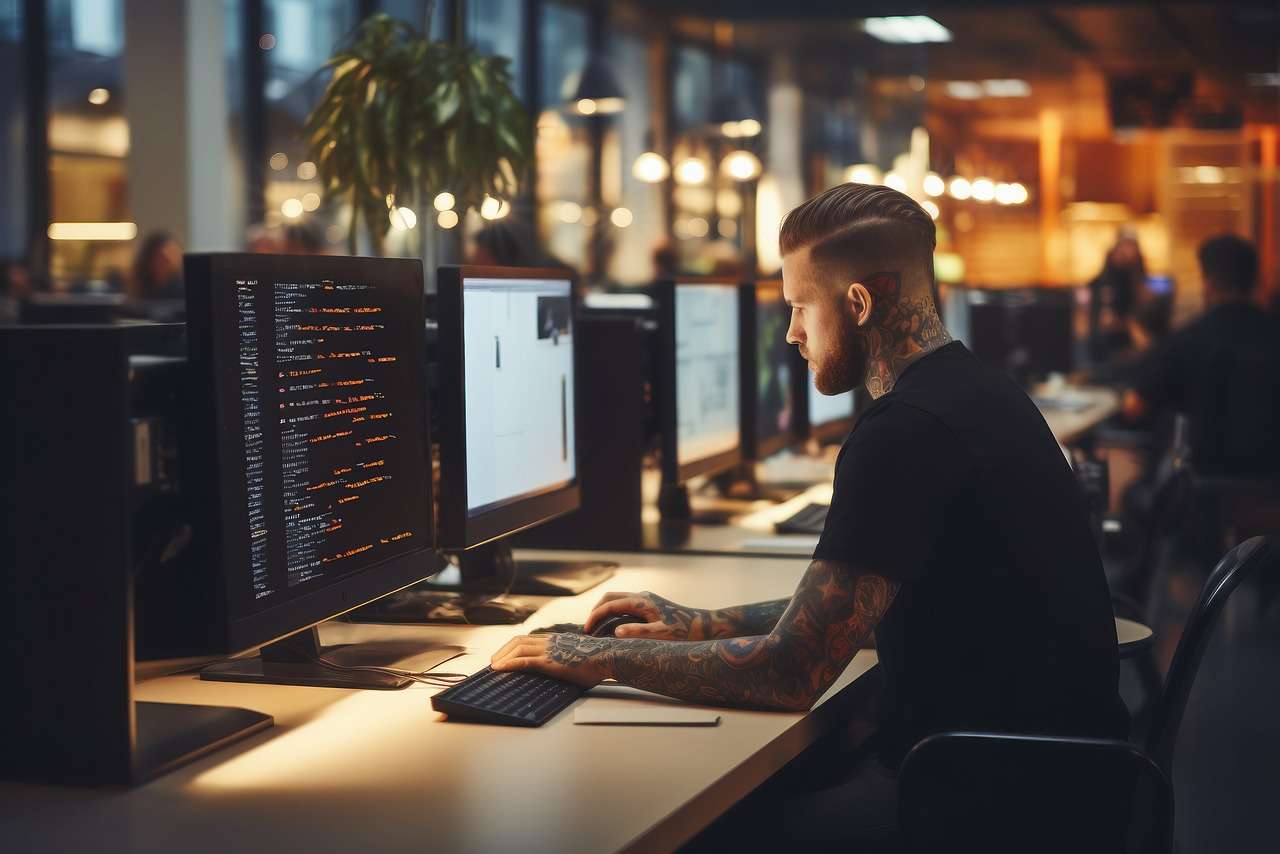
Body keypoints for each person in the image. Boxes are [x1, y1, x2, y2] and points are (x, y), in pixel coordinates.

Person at [490, 183, 1127, 845]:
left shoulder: (903, 433)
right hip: (1056, 782)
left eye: (799, 306)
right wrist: (693, 624)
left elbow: (792, 672)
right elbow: (851, 609)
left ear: (857, 303)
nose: (792, 332)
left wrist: (594, 657)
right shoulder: (975, 391)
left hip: (987, 804)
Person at [1124, 234, 1280, 477]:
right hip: (1271, 494)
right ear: (1255, 281)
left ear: (1209, 282)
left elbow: (1135, 406)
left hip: (1203, 494)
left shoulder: (1189, 338)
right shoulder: (1273, 332)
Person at [1087, 232, 1147, 366]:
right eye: (1123, 247)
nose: (1126, 253)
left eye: (1131, 247)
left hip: (1133, 348)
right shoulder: (1103, 282)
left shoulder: (1138, 280)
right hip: (1106, 348)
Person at [129, 231, 184, 299]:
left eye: (175, 255)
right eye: (162, 258)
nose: (171, 261)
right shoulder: (139, 290)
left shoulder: (182, 290)